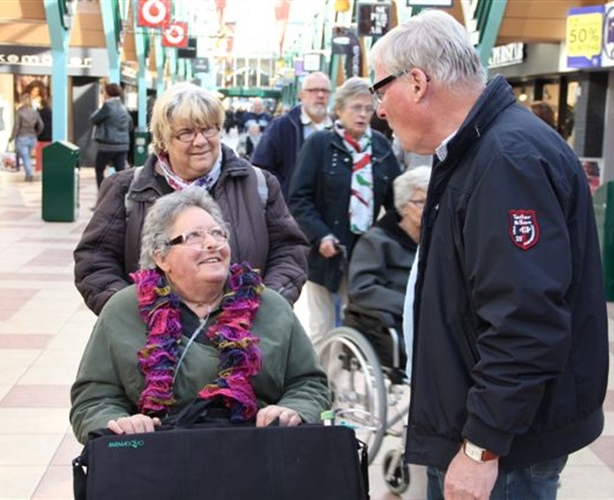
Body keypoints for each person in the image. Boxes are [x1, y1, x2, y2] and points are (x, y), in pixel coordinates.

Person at [369, 10, 609, 499]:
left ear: (416, 82)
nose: (378, 109)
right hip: (484, 430)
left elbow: (525, 320)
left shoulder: (506, 159)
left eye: (380, 89)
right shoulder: (479, 148)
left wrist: (482, 448)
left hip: (501, 449)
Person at [70, 188, 330, 443]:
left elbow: (309, 383)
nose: (212, 243)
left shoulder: (269, 305)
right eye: (193, 236)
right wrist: (119, 422)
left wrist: (292, 410)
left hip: (257, 459)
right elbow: (93, 399)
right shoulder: (123, 310)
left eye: (218, 233)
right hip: (157, 463)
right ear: (161, 257)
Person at [74, 83, 309, 316]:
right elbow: (95, 261)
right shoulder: (125, 189)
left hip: (244, 341)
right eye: (186, 132)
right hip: (153, 346)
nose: (200, 141)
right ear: (163, 140)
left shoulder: (259, 184)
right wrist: (132, 317)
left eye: (209, 129)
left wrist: (267, 307)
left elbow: (289, 251)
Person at [288, 76, 401, 342]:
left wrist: (388, 237)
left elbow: (396, 201)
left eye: (368, 108)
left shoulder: (381, 148)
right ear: (339, 109)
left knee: (360, 323)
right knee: (322, 327)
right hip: (325, 251)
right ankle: (321, 382)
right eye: (356, 107)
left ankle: (350, 379)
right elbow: (299, 198)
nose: (363, 114)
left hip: (365, 252)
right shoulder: (319, 145)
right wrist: (321, 235)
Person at [344, 166, 430, 370]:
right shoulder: (377, 241)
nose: (428, 208)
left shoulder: (436, 239)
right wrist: (412, 305)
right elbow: (362, 288)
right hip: (396, 318)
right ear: (404, 206)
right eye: (420, 202)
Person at [251, 71, 333, 200]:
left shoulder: (338, 128)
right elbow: (260, 168)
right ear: (301, 95)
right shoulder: (282, 127)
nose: (320, 95)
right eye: (314, 90)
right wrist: (283, 193)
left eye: (325, 90)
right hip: (291, 212)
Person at [90, 82, 133, 189]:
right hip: (123, 145)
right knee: (121, 172)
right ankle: (122, 197)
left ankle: (102, 197)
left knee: (99, 170)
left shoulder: (108, 106)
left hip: (107, 145)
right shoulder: (123, 107)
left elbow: (94, 119)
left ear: (107, 93)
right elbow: (130, 125)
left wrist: (100, 107)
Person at [10, 93, 43, 182]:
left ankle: (29, 174)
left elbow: (16, 126)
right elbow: (41, 125)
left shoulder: (20, 112)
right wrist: (37, 133)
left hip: (22, 136)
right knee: (27, 156)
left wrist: (12, 137)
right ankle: (28, 173)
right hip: (32, 137)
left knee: (25, 157)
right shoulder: (35, 112)